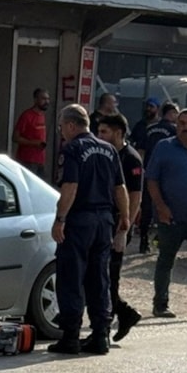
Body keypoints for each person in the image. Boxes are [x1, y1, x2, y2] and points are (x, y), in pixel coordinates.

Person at [48, 104, 130, 355]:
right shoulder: (109, 149)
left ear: (71, 125)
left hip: (79, 220)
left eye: (61, 127)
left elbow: (70, 187)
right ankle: (100, 335)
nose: (61, 132)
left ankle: (70, 336)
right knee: (99, 278)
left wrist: (60, 219)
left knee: (71, 277)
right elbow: (120, 188)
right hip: (104, 221)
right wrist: (125, 217)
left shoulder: (72, 149)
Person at [145, 108, 187, 319]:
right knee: (166, 261)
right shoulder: (165, 147)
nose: (185, 128)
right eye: (182, 123)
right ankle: (160, 305)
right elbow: (152, 179)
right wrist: (161, 207)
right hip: (171, 218)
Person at [97, 114, 143, 342]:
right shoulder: (105, 153)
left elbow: (135, 197)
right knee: (101, 276)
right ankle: (124, 313)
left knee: (110, 277)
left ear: (118, 133)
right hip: (104, 222)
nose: (99, 136)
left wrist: (124, 230)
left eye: (104, 132)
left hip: (118, 225)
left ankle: (105, 327)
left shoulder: (130, 158)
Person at [137, 102, 179, 254]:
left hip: (148, 172)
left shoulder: (150, 128)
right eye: (176, 113)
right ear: (171, 113)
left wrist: (141, 170)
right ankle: (161, 239)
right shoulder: (174, 130)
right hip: (166, 175)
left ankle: (143, 241)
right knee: (165, 206)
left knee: (147, 208)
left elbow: (141, 151)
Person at [13, 88, 50, 178]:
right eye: (43, 99)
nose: (46, 101)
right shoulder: (27, 116)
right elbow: (15, 137)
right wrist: (33, 143)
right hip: (27, 161)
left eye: (48, 99)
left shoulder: (42, 115)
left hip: (40, 160)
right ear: (35, 100)